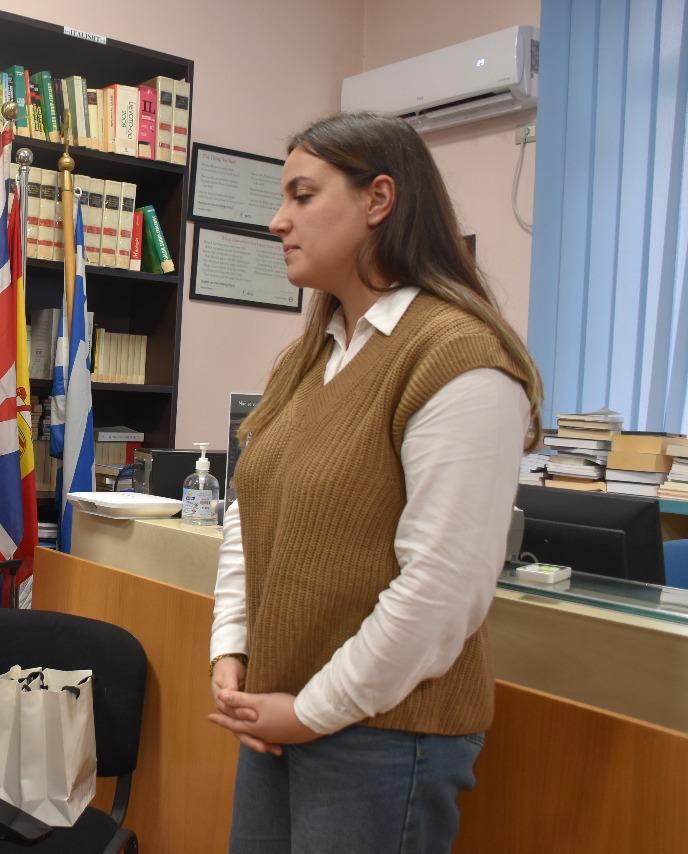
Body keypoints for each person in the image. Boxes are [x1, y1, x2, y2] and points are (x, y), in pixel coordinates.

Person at [207, 112, 542, 853]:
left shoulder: (457, 357)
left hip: (385, 737)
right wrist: (231, 649)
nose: (277, 220)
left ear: (379, 199)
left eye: (302, 196)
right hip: (279, 715)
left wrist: (311, 711)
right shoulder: (310, 357)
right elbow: (248, 514)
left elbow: (442, 590)